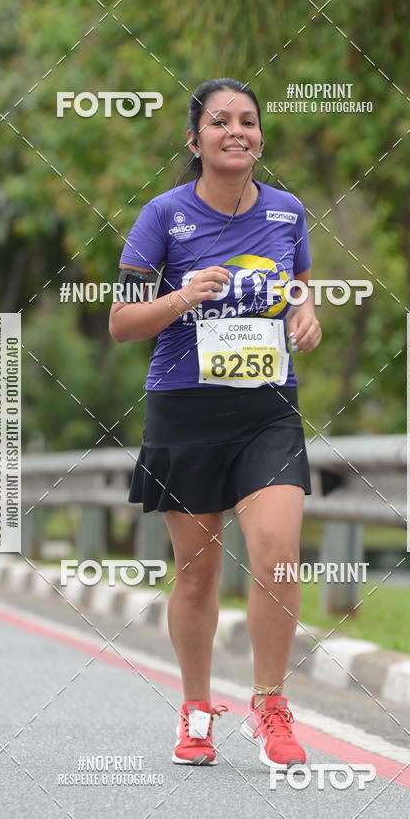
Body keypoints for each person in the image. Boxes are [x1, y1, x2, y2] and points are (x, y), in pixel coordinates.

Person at [109, 78, 322, 769]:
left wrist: (305, 313)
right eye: (221, 121)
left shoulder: (288, 212)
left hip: (268, 413)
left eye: (249, 122)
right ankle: (197, 708)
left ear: (260, 136)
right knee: (197, 577)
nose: (238, 131)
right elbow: (120, 324)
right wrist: (180, 296)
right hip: (186, 412)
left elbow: (298, 286)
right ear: (194, 139)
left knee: (278, 556)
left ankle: (270, 704)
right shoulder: (162, 216)